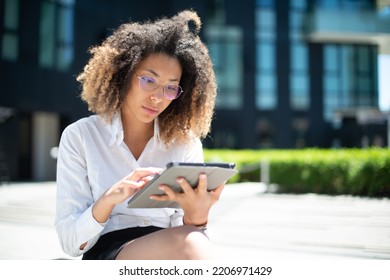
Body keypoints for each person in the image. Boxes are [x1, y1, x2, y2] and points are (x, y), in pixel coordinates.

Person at [55, 10, 224, 260]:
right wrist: (108, 200)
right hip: (110, 251)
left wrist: (198, 216)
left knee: (192, 242)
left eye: (170, 88)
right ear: (123, 74)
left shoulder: (185, 142)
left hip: (173, 246)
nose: (157, 97)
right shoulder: (80, 136)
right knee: (190, 244)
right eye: (149, 81)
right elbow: (69, 243)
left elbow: (190, 232)